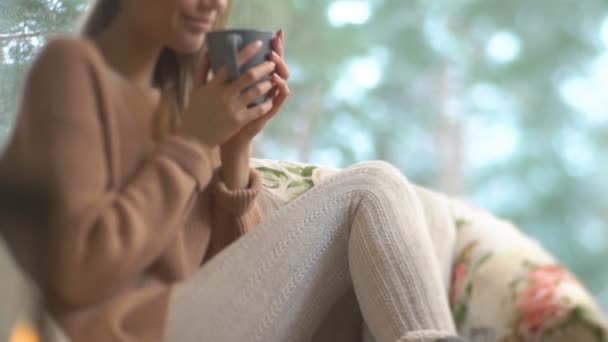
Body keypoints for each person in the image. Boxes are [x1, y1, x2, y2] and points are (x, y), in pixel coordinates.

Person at [0, 0, 467, 341]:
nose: (216, 4)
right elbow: (80, 273)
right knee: (373, 187)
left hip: (189, 315)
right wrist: (193, 142)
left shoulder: (181, 104)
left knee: (428, 215)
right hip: (118, 329)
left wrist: (235, 146)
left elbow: (233, 270)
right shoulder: (72, 68)